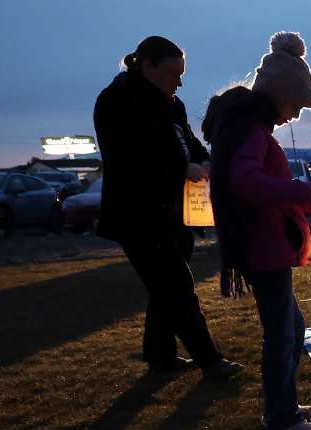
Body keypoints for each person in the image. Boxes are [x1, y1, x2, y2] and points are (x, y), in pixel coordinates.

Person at [202, 32, 311, 430]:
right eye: (296, 105)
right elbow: (248, 183)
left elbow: (262, 182)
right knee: (280, 332)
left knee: (291, 327)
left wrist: (308, 200)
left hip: (265, 244)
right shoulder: (250, 129)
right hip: (264, 247)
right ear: (279, 93)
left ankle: (285, 404)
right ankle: (281, 419)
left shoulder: (249, 126)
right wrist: (302, 193)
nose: (295, 116)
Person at [93, 36, 243, 378]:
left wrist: (205, 161)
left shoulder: (171, 104)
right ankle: (210, 361)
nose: (180, 81)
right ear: (147, 66)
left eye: (182, 73)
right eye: (174, 72)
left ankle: (160, 356)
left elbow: (187, 141)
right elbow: (126, 159)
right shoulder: (114, 101)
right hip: (137, 214)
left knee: (165, 288)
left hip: (176, 211)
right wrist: (181, 170)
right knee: (175, 286)